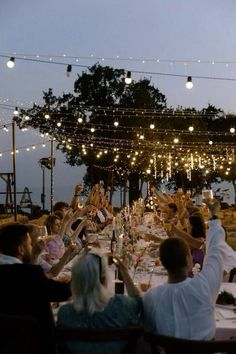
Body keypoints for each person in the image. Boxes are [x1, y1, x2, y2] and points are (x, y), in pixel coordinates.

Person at [142, 214, 225, 340]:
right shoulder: (203, 286)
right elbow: (216, 253)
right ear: (188, 259)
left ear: (162, 263)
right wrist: (214, 218)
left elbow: (146, 329)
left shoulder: (151, 297)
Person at [0, 223, 71, 353]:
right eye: (30, 244)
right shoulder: (31, 275)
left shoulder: (27, 273)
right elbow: (65, 292)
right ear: (21, 250)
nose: (31, 247)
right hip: (38, 345)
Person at [57, 249, 142, 354]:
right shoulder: (121, 306)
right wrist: (124, 273)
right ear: (104, 278)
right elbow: (139, 302)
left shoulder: (65, 313)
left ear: (75, 281)